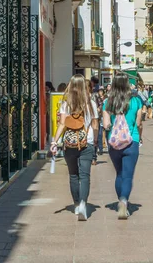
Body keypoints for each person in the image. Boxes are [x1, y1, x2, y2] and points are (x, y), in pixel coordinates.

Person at [50, 74, 98, 221]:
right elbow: (95, 125)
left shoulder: (66, 104)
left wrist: (54, 141)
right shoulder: (91, 104)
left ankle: (76, 204)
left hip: (69, 144)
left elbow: (62, 125)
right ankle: (83, 203)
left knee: (73, 175)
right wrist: (95, 140)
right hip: (87, 142)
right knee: (85, 176)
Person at [102, 72, 143, 220]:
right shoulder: (136, 101)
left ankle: (121, 200)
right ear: (127, 85)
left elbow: (106, 124)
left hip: (114, 143)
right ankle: (124, 200)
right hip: (132, 141)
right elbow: (138, 123)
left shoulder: (108, 102)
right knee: (128, 175)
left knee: (119, 173)